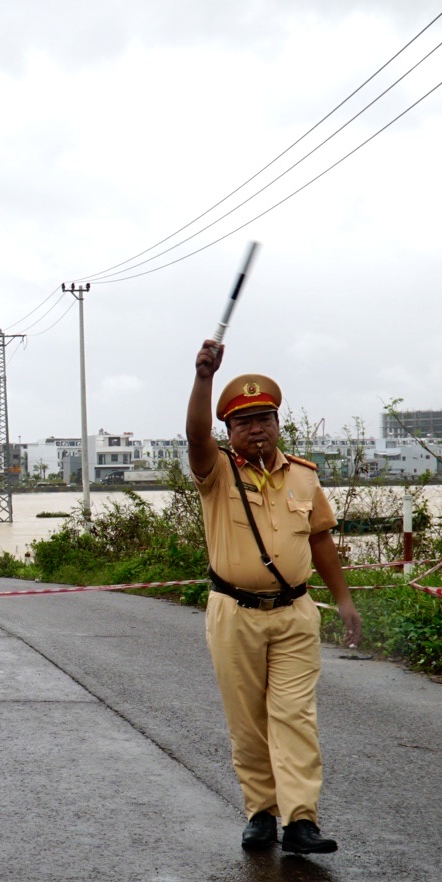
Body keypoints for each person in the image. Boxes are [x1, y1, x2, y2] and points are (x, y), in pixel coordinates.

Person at [185, 341, 361, 854]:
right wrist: (202, 378)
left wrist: (344, 600)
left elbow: (321, 539)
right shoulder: (216, 471)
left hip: (294, 614)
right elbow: (195, 434)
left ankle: (301, 820)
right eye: (244, 422)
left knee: (295, 715)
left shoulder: (304, 476)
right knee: (247, 718)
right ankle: (261, 812)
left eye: (265, 418)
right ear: (229, 432)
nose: (256, 428)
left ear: (279, 423)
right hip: (233, 613)